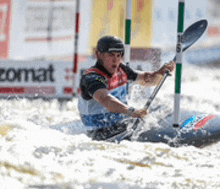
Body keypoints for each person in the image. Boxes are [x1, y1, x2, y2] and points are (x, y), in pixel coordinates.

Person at [78, 36, 175, 141]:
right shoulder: (92, 78)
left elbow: (150, 80)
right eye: (111, 55)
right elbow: (106, 99)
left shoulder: (121, 70)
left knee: (163, 110)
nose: (115, 60)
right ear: (98, 54)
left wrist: (160, 73)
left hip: (122, 124)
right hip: (99, 133)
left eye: (119, 55)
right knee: (141, 121)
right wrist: (132, 111)